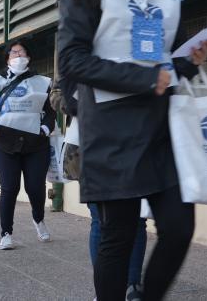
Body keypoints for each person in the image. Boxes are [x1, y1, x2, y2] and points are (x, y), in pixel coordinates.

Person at [57, 0, 207, 301]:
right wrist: (146, 78)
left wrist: (187, 62)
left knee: (179, 228)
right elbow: (72, 61)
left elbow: (157, 58)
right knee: (118, 237)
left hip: (162, 128)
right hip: (112, 131)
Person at [50, 81, 148, 301]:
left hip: (133, 144)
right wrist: (84, 104)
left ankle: (132, 286)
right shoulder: (79, 54)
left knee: (138, 217)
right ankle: (106, 288)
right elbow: (56, 95)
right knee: (102, 219)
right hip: (87, 146)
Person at [0, 40, 56, 249]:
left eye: (22, 52)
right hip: (4, 143)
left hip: (36, 143)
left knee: (35, 187)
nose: (18, 56)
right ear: (7, 59)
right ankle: (6, 233)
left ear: (29, 57)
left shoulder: (42, 82)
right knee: (9, 187)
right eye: (13, 53)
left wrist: (45, 129)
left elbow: (52, 110)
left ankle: (39, 219)